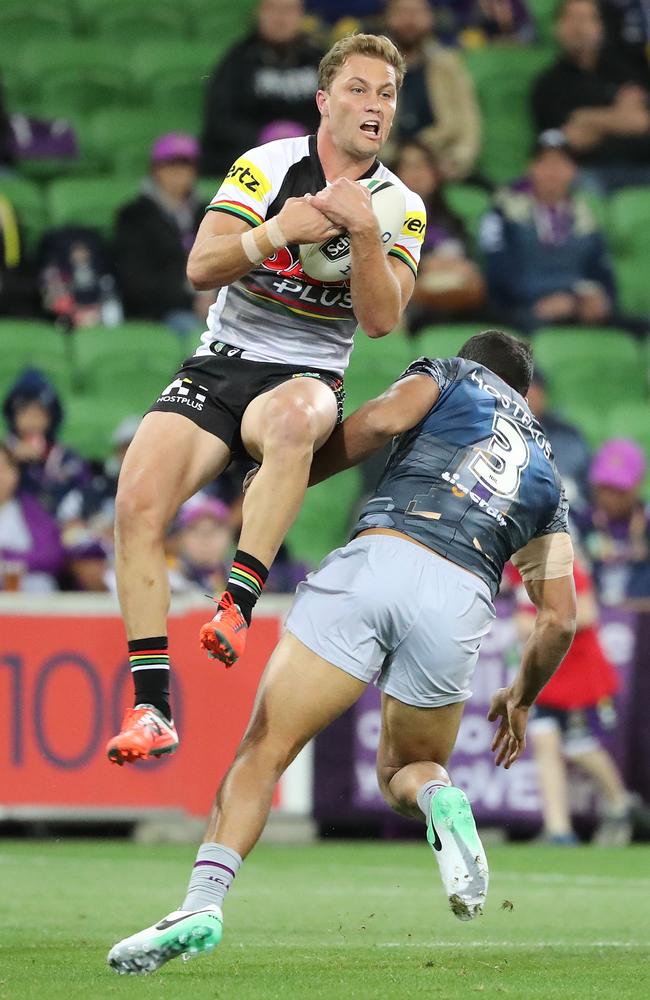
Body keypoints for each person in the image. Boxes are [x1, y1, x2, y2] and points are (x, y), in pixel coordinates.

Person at [107, 330, 577, 974]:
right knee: (403, 774)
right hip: (464, 594)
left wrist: (290, 471)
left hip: (384, 551)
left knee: (264, 751)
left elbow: (382, 419)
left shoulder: (449, 376)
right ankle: (442, 800)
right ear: (527, 397)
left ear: (474, 364)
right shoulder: (550, 475)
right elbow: (559, 620)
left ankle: (201, 903)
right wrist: (521, 697)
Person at [106, 33, 427, 766]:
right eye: (359, 89)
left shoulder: (401, 206)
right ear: (324, 101)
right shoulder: (266, 167)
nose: (374, 105)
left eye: (387, 93)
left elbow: (380, 321)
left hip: (307, 372)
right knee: (135, 504)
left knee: (292, 420)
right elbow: (200, 265)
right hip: (223, 362)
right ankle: (152, 707)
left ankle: (238, 602)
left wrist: (363, 234)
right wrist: (281, 229)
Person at [509, 557, 650, 845]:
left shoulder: (561, 564)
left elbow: (585, 613)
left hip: (579, 673)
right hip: (546, 671)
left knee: (577, 745)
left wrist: (540, 620)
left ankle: (622, 803)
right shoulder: (515, 569)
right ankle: (558, 830)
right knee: (544, 743)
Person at [479, 130, 618, 334]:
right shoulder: (504, 212)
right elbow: (498, 272)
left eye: (562, 163)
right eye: (545, 162)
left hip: (576, 309)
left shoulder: (586, 218)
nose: (553, 171)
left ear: (574, 171)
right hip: (523, 311)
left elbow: (602, 272)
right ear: (530, 167)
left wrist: (595, 298)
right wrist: (551, 298)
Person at [531, 0, 650, 194]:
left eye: (587, 19)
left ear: (600, 27)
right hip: (588, 172)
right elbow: (571, 138)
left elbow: (642, 121)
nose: (579, 27)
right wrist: (619, 117)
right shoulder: (548, 84)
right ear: (557, 28)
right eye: (572, 19)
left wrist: (586, 118)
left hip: (641, 166)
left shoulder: (624, 72)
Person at [200, 0, 323, 177]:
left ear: (301, 15)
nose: (280, 18)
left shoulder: (317, 58)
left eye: (288, 10)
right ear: (259, 13)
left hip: (310, 158)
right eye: (273, 9)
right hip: (250, 161)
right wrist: (263, 139)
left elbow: (334, 113)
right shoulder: (238, 59)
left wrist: (304, 139)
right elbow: (220, 119)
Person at [114, 134, 212, 338]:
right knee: (199, 336)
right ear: (156, 169)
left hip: (215, 305)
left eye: (186, 164)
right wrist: (190, 300)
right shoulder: (134, 216)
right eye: (171, 164)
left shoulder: (209, 212)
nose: (179, 172)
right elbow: (135, 281)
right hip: (161, 313)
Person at [392, 138, 485, 331]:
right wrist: (424, 265)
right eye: (409, 165)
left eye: (423, 165)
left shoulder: (452, 219)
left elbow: (470, 259)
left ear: (435, 172)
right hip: (410, 303)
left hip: (460, 301)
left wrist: (466, 267)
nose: (417, 173)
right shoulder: (386, 215)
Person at [383, 0, 482, 180]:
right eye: (402, 12)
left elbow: (469, 125)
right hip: (386, 166)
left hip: (440, 166)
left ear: (430, 17)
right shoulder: (372, 66)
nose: (410, 20)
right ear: (388, 17)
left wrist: (453, 162)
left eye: (417, 13)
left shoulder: (449, 66)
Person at [2, 368, 91, 515]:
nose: (32, 421)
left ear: (51, 418)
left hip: (57, 528)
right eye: (24, 413)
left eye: (38, 414)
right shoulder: (5, 452)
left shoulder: (65, 456)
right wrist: (13, 461)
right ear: (13, 416)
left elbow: (84, 488)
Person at [573, 438, 650, 607]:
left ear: (637, 483)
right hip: (592, 616)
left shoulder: (646, 522)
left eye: (618, 489)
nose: (609, 497)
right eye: (604, 487)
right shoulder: (581, 523)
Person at [0, 442, 64, 593]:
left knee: (41, 584)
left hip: (26, 596)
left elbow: (51, 556)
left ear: (15, 474)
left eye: (3, 469)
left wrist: (6, 556)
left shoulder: (31, 511)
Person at [526, 369, 591, 512]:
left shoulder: (568, 435)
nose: (527, 395)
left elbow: (586, 483)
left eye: (533, 388)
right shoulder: (491, 431)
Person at [432, 0, 535, 46]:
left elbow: (527, 34)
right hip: (470, 42)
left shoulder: (515, 5)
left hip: (514, 39)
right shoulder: (462, 7)